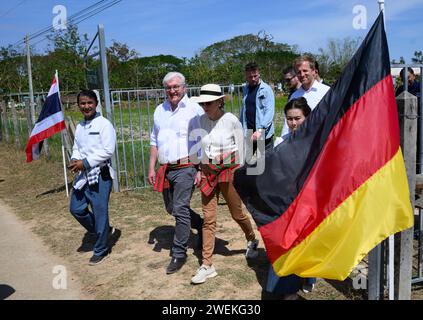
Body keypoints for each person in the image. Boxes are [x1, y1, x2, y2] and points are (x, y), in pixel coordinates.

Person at [190, 84, 259, 284]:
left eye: (208, 102)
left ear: (220, 102)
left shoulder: (231, 121)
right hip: (208, 172)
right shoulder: (200, 121)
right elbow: (198, 149)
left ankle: (251, 239)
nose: (205, 106)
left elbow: (242, 151)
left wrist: (226, 159)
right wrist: (200, 168)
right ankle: (207, 265)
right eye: (202, 102)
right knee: (208, 218)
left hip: (229, 171)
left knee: (236, 213)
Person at [148, 71, 204, 275]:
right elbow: (154, 140)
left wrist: (199, 169)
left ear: (184, 88)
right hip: (166, 168)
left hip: (187, 166)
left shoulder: (194, 109)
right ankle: (203, 225)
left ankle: (178, 253)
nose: (172, 91)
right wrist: (151, 167)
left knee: (180, 208)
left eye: (176, 87)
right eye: (169, 87)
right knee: (172, 208)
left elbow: (201, 140)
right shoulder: (159, 110)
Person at [266, 97, 312, 299]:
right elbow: (261, 169)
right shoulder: (280, 142)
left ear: (307, 118)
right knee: (286, 246)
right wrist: (255, 145)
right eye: (289, 119)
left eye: (298, 118)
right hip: (286, 204)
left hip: (309, 203)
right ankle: (287, 291)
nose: (293, 123)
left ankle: (306, 279)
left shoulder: (317, 143)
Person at [69, 89, 117, 266]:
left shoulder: (104, 124)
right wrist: (75, 158)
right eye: (82, 103)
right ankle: (102, 231)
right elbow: (76, 146)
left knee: (100, 212)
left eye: (89, 103)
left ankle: (101, 249)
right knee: (76, 208)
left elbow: (107, 150)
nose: (86, 106)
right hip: (83, 174)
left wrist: (86, 163)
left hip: (100, 176)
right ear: (79, 105)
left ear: (96, 104)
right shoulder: (80, 126)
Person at [279, 55, 330, 142]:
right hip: (300, 143)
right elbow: (288, 122)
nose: (302, 75)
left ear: (314, 71)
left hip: (322, 140)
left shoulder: (327, 92)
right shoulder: (294, 96)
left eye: (305, 71)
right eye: (298, 72)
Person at [240, 62, 275, 157]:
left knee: (265, 163)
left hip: (262, 134)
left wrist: (260, 130)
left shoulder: (266, 89)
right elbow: (244, 110)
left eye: (255, 76)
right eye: (250, 77)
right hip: (249, 133)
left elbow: (269, 111)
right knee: (245, 162)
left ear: (259, 73)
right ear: (246, 76)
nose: (253, 79)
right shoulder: (246, 89)